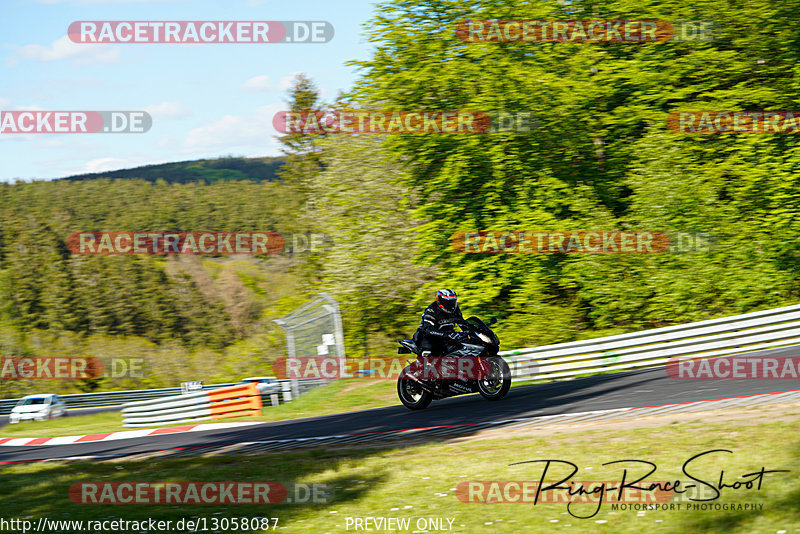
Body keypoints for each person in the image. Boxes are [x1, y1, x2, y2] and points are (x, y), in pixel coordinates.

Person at [413, 288, 465, 358]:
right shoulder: (431, 310)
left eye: (452, 302)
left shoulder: (455, 309)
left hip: (447, 335)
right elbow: (428, 329)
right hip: (428, 335)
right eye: (447, 302)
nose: (450, 305)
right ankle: (423, 364)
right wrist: (446, 335)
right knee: (429, 351)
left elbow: (462, 322)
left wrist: (470, 331)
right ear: (440, 301)